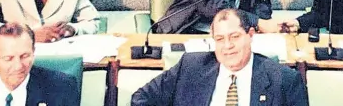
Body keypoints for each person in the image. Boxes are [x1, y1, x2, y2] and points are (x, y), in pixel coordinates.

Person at [131, 9, 309, 105]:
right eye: (220, 39)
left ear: (251, 34)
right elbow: (141, 98)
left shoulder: (284, 79)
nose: (227, 46)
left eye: (234, 37)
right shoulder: (191, 67)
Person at [0, 23, 79, 105]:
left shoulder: (62, 88)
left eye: (24, 56)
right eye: (8, 59)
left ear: (33, 53)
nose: (18, 66)